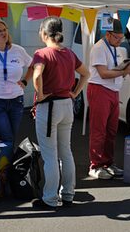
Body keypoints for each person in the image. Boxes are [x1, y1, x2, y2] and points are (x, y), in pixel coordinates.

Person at [31, 16, 89, 210]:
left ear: (44, 33)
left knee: (50, 155)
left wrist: (39, 95)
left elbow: (37, 74)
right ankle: (68, 194)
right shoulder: (70, 53)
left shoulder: (42, 53)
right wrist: (75, 92)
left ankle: (49, 198)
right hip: (66, 104)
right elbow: (86, 73)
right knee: (66, 151)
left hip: (49, 106)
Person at [87, 18, 130, 180]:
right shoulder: (98, 48)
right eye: (117, 38)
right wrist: (124, 72)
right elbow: (103, 73)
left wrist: (128, 68)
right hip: (99, 89)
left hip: (113, 90)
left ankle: (108, 162)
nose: (120, 41)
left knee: (111, 130)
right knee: (99, 130)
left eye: (121, 38)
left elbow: (113, 69)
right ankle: (95, 165)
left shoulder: (116, 48)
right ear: (108, 34)